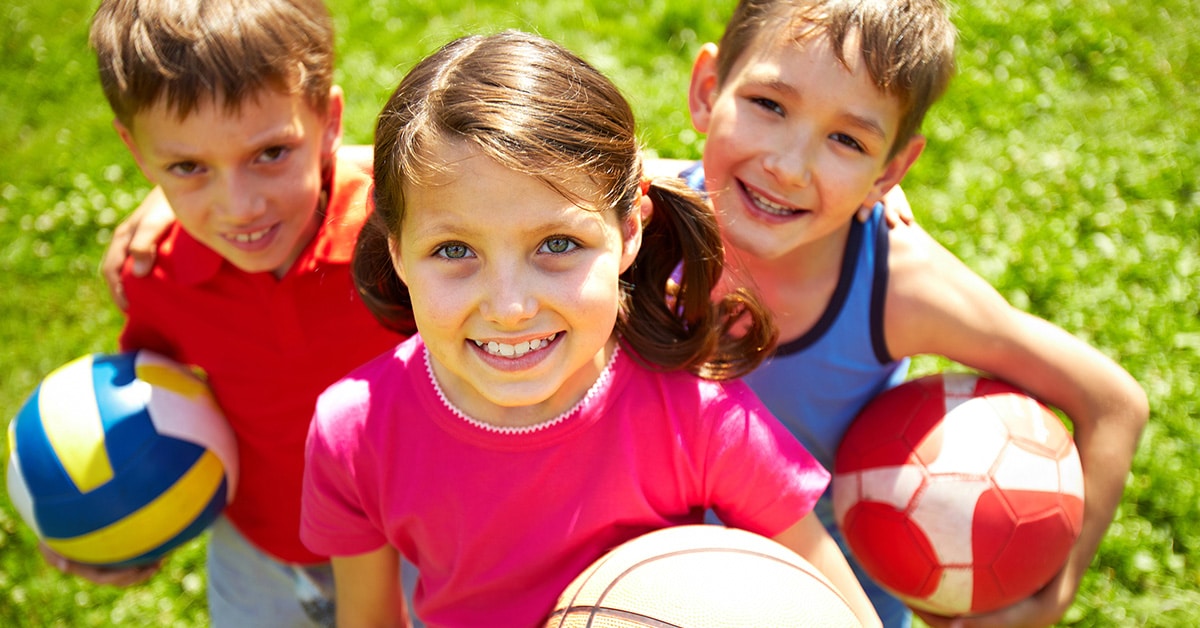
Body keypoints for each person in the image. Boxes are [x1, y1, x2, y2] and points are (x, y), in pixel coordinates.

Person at [298, 30, 882, 628]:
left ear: (630, 230)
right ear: (396, 251)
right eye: (453, 250)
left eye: (557, 244)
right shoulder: (355, 432)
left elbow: (841, 612)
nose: (510, 307)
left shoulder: (700, 415)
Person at [663, 1, 1150, 627]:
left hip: (832, 601)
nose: (788, 165)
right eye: (769, 105)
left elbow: (1113, 403)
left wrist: (1048, 599)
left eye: (847, 140)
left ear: (889, 171)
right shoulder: (642, 224)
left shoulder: (896, 287)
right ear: (708, 91)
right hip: (650, 577)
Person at [59, 1, 412, 625]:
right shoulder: (158, 276)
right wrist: (107, 520)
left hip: (418, 540)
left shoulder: (401, 239)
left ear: (330, 121)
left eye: (270, 153)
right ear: (137, 154)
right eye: (188, 167)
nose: (239, 206)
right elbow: (156, 418)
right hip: (259, 553)